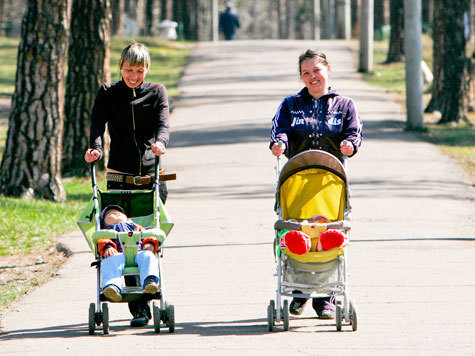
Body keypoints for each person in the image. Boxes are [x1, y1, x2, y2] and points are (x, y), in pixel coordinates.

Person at [269, 49, 363, 319]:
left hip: (331, 184)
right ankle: (298, 291)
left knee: (328, 231)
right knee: (298, 230)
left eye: (316, 71)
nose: (312, 77)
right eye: (305, 73)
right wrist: (280, 144)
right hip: (297, 182)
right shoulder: (290, 104)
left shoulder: (345, 105)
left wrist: (350, 144)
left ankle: (326, 298)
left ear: (328, 70)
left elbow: (354, 132)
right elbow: (280, 130)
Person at [84, 42, 169, 327]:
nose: (134, 76)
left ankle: (144, 297)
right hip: (118, 177)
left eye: (140, 70)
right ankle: (136, 305)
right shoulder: (108, 92)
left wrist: (160, 143)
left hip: (149, 176)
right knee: (121, 238)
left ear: (147, 69)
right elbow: (97, 122)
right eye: (130, 70)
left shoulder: (156, 92)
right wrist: (95, 147)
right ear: (120, 66)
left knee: (145, 237)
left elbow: (162, 124)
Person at [99, 205, 160, 303]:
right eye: (110, 214)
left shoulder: (135, 226)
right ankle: (112, 286)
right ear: (104, 223)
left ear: (127, 218)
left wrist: (149, 243)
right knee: (109, 261)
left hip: (139, 252)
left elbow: (149, 234)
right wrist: (108, 247)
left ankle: (150, 280)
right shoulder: (107, 231)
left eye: (119, 213)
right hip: (118, 255)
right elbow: (103, 240)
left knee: (148, 256)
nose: (115, 215)